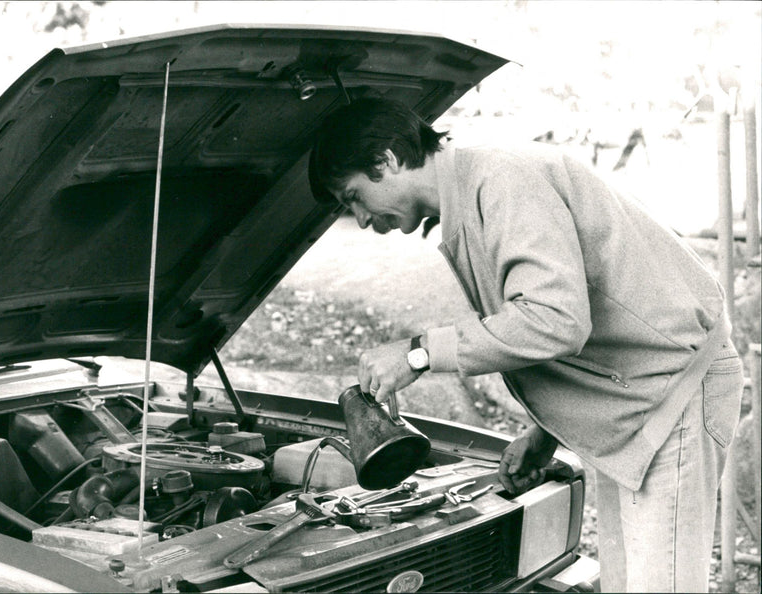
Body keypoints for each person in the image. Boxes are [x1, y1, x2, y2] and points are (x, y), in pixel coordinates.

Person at [308, 97, 744, 593]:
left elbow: (557, 320)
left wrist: (419, 353)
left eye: (354, 197)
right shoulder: (472, 193)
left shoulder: (501, 181)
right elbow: (546, 321)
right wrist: (544, 434)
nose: (362, 219)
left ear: (385, 160)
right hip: (635, 398)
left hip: (673, 393)